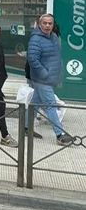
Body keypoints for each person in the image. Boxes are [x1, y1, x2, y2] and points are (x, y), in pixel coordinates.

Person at [25, 14, 74, 145]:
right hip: (42, 79)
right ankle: (60, 135)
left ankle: (25, 128)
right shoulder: (36, 39)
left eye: (50, 23)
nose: (47, 26)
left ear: (53, 25)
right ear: (40, 24)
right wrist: (44, 73)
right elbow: (32, 60)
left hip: (49, 78)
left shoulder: (52, 37)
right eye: (45, 23)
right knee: (51, 105)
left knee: (35, 103)